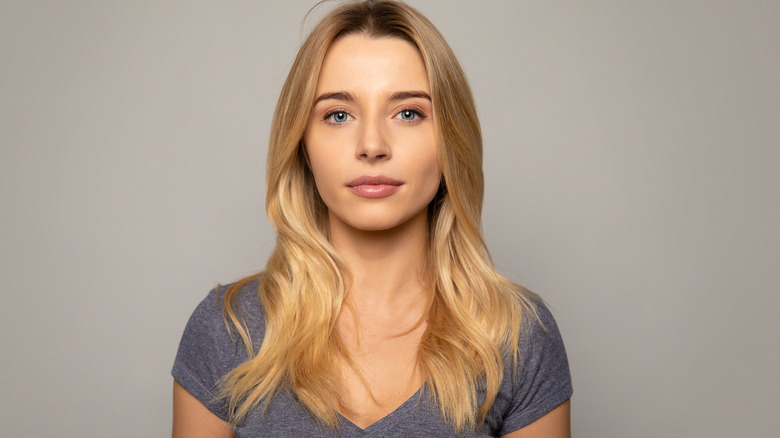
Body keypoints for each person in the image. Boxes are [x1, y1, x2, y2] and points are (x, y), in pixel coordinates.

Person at [172, 1, 572, 436]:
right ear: (302, 144)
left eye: (409, 113)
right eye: (338, 115)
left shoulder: (517, 336)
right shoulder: (228, 331)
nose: (372, 145)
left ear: (450, 139)